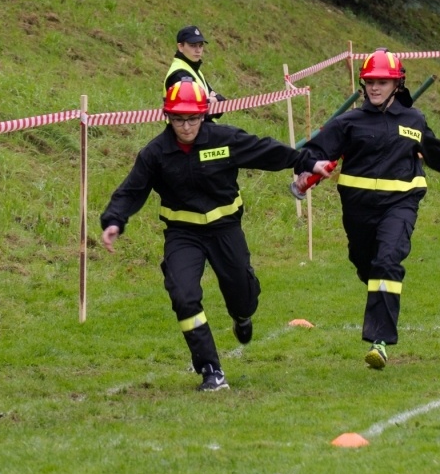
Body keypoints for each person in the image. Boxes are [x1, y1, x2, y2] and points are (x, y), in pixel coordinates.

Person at [101, 78, 319, 391]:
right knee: (183, 295)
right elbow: (131, 190)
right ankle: (211, 371)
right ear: (168, 116)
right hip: (183, 234)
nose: (185, 125)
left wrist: (306, 161)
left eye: (191, 118)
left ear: (203, 115)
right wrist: (114, 221)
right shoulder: (155, 153)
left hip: (225, 230)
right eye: (178, 118)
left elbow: (265, 150)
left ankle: (242, 315)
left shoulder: (223, 139)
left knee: (242, 295)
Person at [294, 48, 440, 370]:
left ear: (397, 85)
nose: (375, 87)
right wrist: (306, 169)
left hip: (400, 203)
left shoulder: (413, 120)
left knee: (387, 262)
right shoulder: (348, 122)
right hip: (358, 208)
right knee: (366, 264)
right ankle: (377, 292)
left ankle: (380, 342)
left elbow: (435, 152)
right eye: (370, 81)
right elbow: (315, 151)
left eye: (383, 82)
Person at [164, 25, 225, 122]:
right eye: (193, 45)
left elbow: (220, 104)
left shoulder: (194, 70)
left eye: (200, 45)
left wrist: (214, 100)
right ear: (180, 47)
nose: (198, 50)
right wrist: (212, 100)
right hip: (187, 132)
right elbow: (195, 110)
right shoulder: (180, 74)